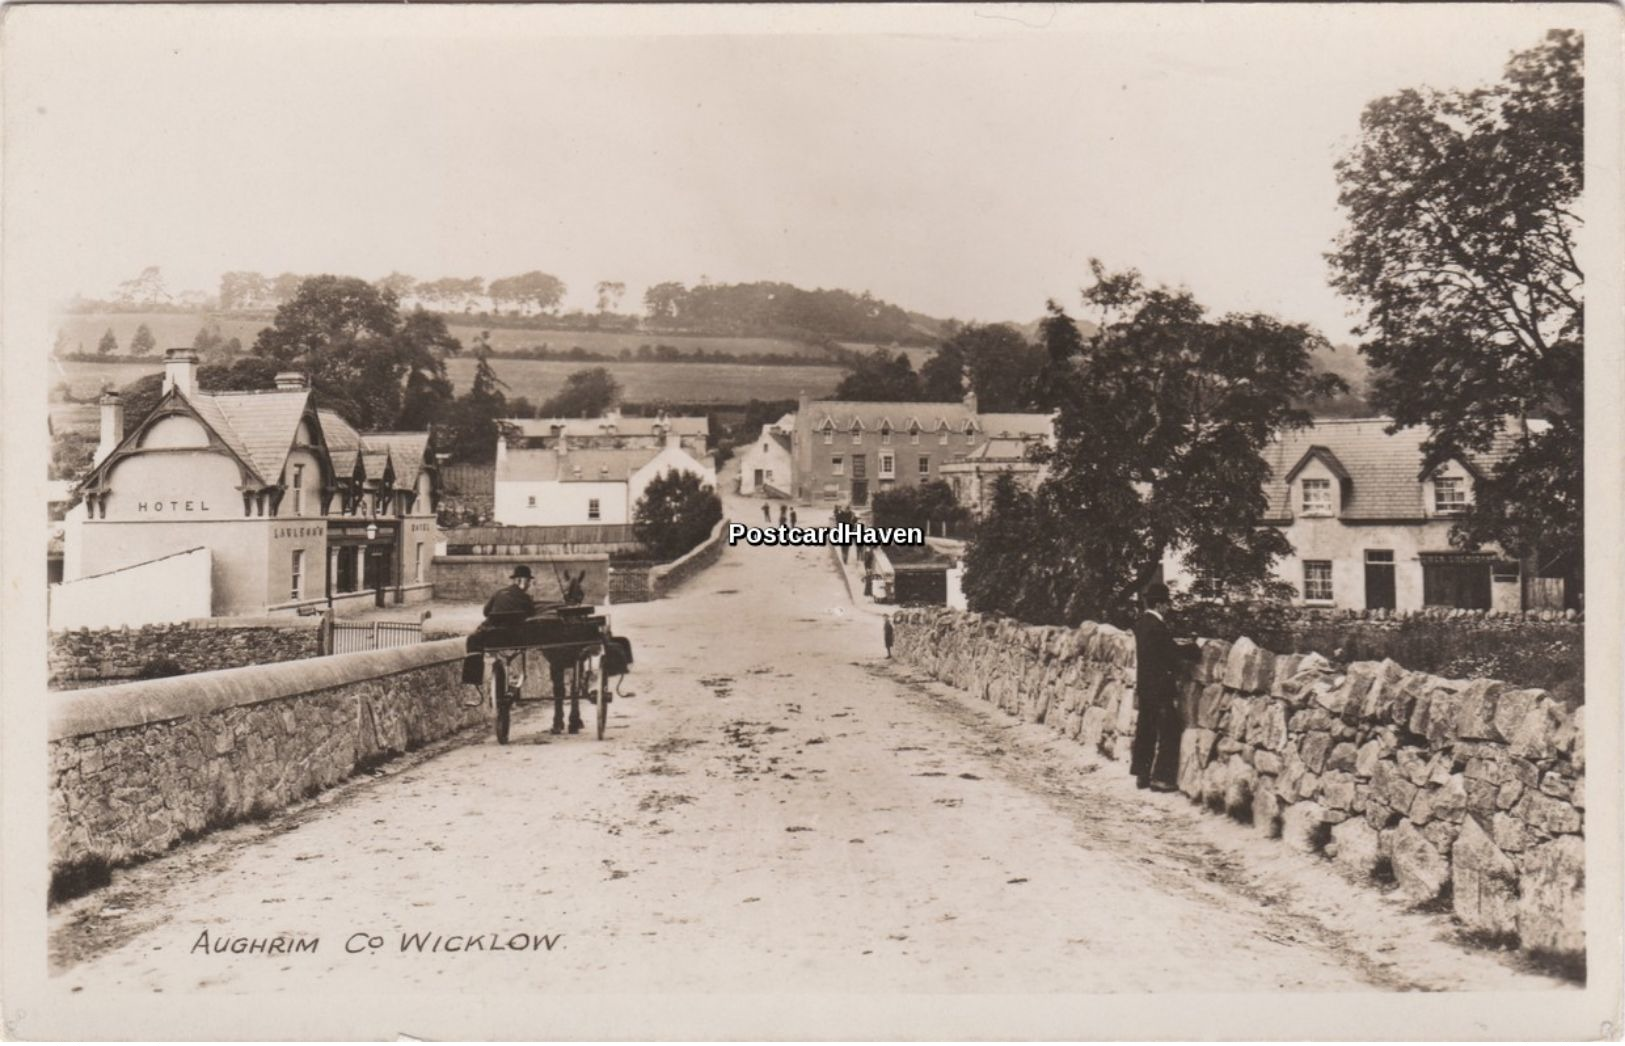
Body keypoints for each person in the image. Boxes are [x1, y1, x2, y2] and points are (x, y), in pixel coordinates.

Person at [1131, 582, 1199, 792]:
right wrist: (1194, 649)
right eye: (1166, 604)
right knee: (1170, 729)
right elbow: (1170, 654)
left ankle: (1142, 774)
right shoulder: (1157, 626)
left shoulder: (1141, 623)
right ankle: (1161, 778)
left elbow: (1159, 650)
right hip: (1159, 687)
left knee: (1146, 729)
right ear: (1160, 605)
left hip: (1145, 686)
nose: (1168, 608)